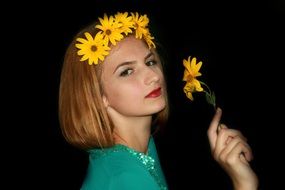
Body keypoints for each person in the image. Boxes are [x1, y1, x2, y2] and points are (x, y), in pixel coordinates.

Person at [58, 12, 258, 190]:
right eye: (127, 71)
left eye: (150, 61)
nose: (153, 76)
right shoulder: (125, 179)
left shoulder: (138, 151)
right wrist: (245, 183)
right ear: (98, 96)